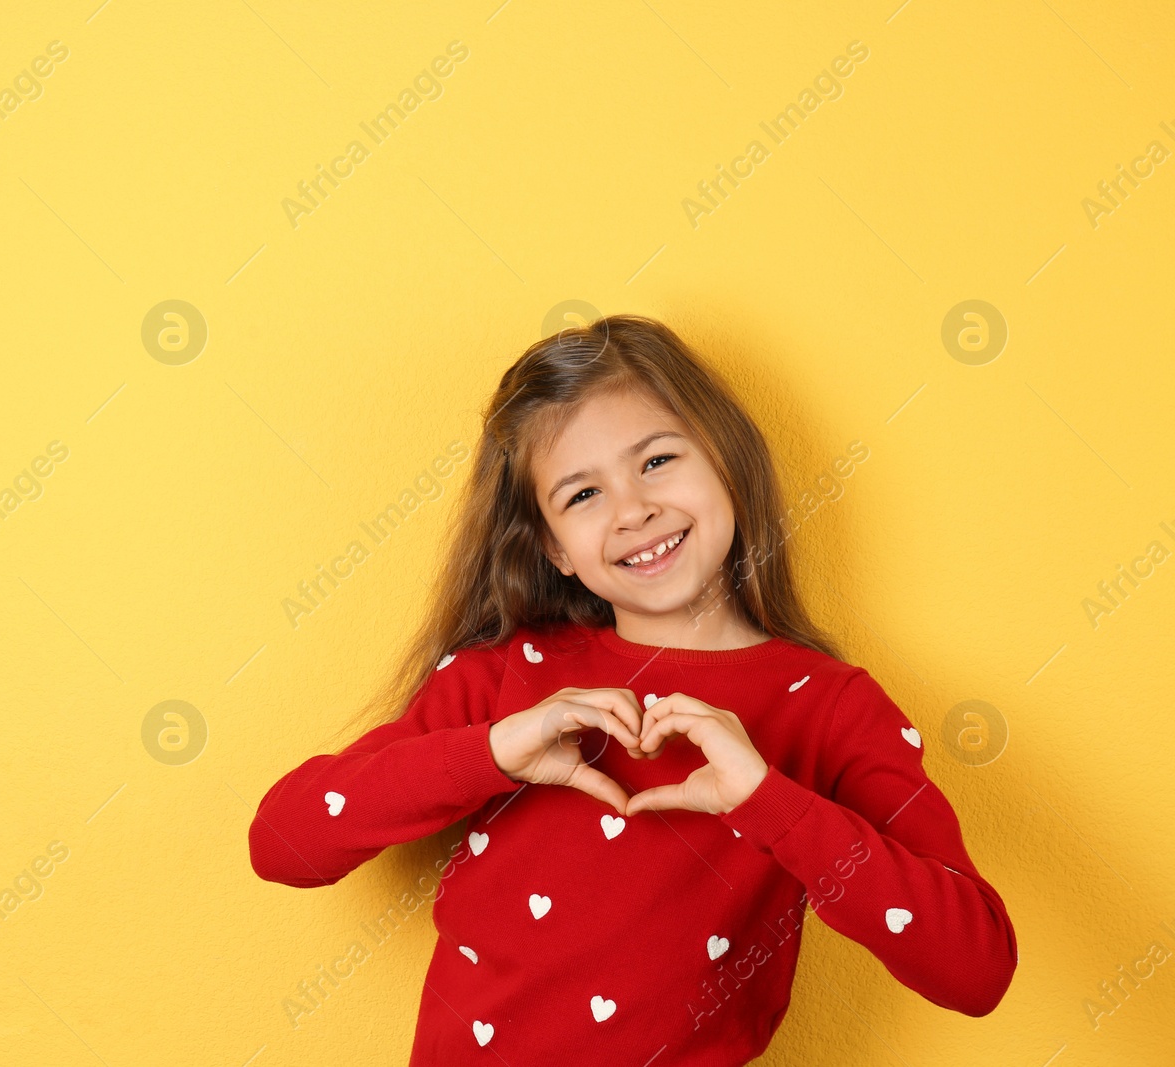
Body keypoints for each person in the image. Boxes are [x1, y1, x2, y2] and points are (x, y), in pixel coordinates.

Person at [247, 314, 1018, 1065]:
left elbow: (976, 968)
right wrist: (490, 753)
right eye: (582, 495)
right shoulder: (508, 677)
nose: (634, 509)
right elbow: (282, 843)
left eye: (656, 461)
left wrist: (766, 797)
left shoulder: (829, 704)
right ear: (554, 549)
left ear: (727, 462)